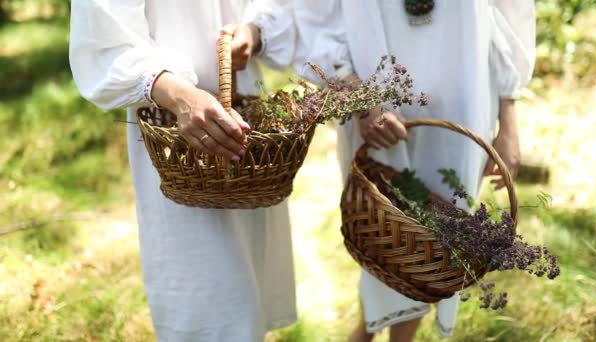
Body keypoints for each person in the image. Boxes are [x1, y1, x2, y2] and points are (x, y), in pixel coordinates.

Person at [294, 0, 536, 340]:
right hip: (373, 93)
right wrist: (360, 100)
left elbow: (506, 13)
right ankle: (365, 333)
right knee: (385, 227)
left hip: (464, 91)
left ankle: (375, 335)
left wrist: (508, 120)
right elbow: (315, 16)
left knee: (437, 241)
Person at [69, 1, 299, 340]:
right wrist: (180, 97)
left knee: (247, 289)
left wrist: (252, 30)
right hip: (175, 136)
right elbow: (103, 36)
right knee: (206, 295)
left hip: (243, 115)